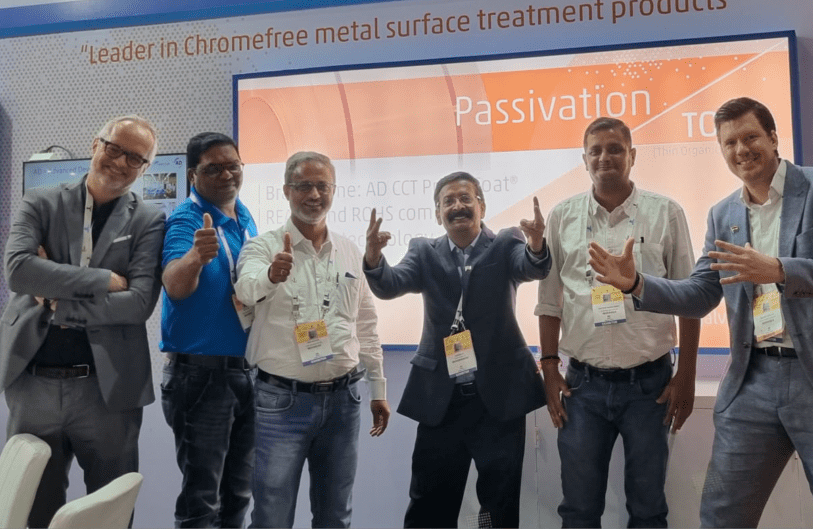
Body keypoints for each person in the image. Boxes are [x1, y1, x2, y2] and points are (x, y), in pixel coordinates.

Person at [590, 97, 813, 528]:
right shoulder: (723, 214)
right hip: (754, 380)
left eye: (751, 137)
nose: (741, 150)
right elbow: (701, 293)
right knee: (720, 514)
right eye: (730, 142)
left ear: (773, 138)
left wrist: (780, 269)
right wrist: (636, 285)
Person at [0, 115, 164, 528]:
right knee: (34, 508)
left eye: (135, 157)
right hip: (33, 384)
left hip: (107, 389)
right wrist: (103, 280)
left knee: (110, 510)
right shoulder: (40, 202)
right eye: (114, 148)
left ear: (146, 166)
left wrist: (57, 301)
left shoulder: (149, 220)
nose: (120, 161)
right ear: (96, 144)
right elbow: (19, 272)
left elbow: (137, 304)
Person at [536, 117, 700, 528]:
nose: (604, 157)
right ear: (584, 160)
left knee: (648, 509)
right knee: (579, 509)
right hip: (582, 387)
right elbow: (549, 300)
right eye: (595, 151)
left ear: (632, 156)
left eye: (615, 149)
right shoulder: (562, 216)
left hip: (650, 387)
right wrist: (549, 368)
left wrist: (687, 375)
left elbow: (690, 299)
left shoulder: (666, 213)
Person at [363, 172, 550, 529]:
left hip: (498, 399)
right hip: (441, 401)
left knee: (497, 506)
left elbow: (530, 266)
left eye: (466, 198)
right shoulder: (423, 251)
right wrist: (374, 258)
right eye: (448, 201)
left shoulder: (506, 242)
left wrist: (537, 245)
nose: (457, 206)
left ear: (482, 206)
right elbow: (390, 284)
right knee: (430, 505)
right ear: (438, 214)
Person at [235, 151, 390, 529]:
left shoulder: (349, 251)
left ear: (333, 190)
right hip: (280, 403)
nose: (315, 194)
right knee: (271, 517)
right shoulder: (262, 247)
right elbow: (245, 288)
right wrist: (271, 275)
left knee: (336, 515)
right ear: (286, 191)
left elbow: (366, 323)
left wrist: (378, 387)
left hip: (344, 401)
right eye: (304, 186)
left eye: (323, 186)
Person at [159, 132, 258, 528]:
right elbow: (174, 285)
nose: (226, 175)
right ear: (193, 175)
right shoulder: (186, 219)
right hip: (201, 377)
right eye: (213, 168)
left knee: (238, 496)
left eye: (233, 165)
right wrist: (195, 258)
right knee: (202, 502)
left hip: (246, 373)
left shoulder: (244, 217)